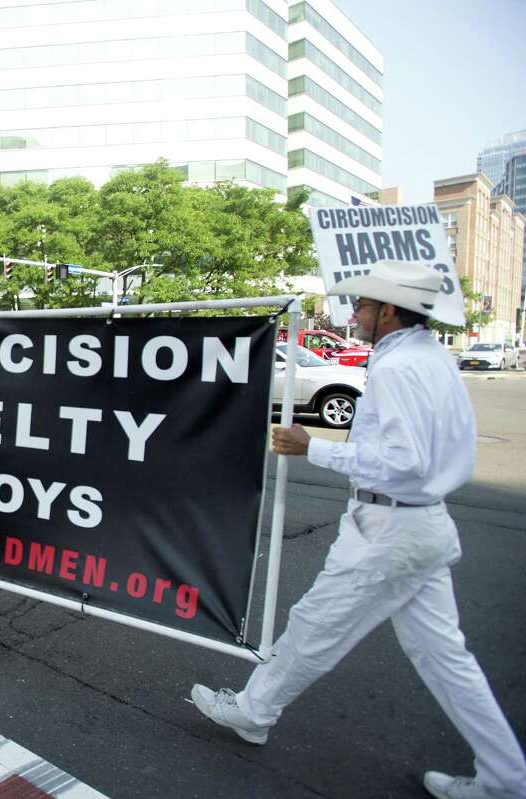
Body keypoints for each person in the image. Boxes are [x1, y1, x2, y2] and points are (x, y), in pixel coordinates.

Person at [189, 261, 526, 799]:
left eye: (364, 305)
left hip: (388, 529)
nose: (356, 314)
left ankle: (253, 711)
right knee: (446, 660)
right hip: (422, 523)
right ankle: (508, 778)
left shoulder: (398, 369)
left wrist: (311, 447)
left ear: (390, 311)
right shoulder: (431, 359)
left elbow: (403, 461)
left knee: (313, 625)